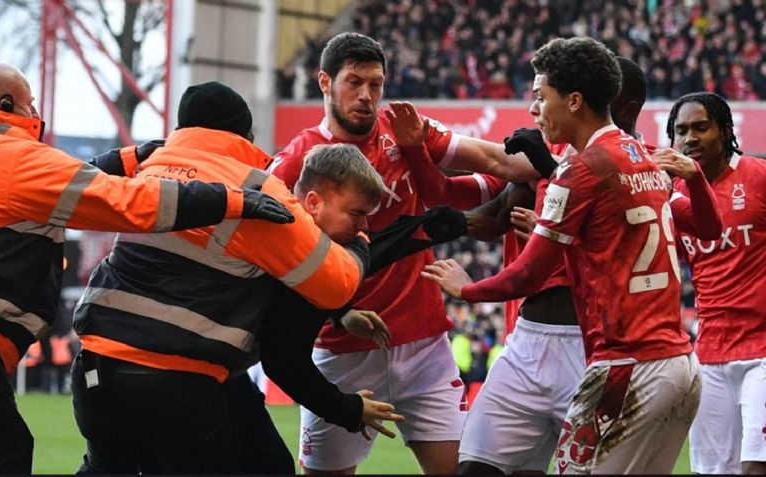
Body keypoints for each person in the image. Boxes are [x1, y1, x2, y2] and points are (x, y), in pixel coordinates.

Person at [0, 63, 290, 474]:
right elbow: (124, 202)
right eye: (30, 104)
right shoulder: (7, 153)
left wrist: (130, 158)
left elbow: (50, 186)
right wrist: (230, 200)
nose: (36, 114)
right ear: (5, 105)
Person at [423, 37, 702, 474]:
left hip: (625, 365)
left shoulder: (580, 169)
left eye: (541, 97)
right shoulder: (646, 160)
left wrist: (467, 289)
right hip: (674, 363)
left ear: (574, 101)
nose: (536, 109)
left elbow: (528, 275)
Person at [70, 81, 378, 474]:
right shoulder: (255, 188)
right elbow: (338, 284)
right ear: (245, 135)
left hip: (96, 372)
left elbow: (73, 180)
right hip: (177, 381)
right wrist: (361, 239)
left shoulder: (148, 168)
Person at [269, 32, 534, 475]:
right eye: (354, 82)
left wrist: (571, 162)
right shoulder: (295, 163)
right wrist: (336, 314)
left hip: (423, 344)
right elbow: (271, 256)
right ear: (324, 82)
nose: (367, 96)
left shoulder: (404, 130)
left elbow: (500, 163)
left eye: (376, 84)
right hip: (340, 350)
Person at [664, 91, 766, 475]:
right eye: (681, 131)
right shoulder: (672, 197)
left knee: (757, 466)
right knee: (712, 470)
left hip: (763, 350)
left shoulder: (758, 176)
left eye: (701, 127)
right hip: (709, 354)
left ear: (724, 131)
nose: (690, 138)